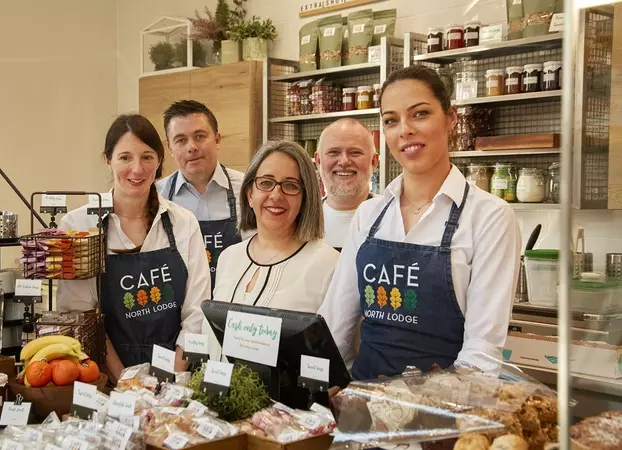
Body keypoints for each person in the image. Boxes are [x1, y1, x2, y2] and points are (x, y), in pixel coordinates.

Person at [318, 66, 521, 380]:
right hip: (363, 409)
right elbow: (335, 327)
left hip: (443, 414)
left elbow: (481, 351)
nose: (405, 130)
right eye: (391, 120)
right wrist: (320, 386)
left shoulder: (489, 217)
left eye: (420, 114)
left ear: (450, 118)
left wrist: (427, 412)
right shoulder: (370, 215)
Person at [57, 114, 210, 381]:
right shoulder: (78, 224)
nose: (137, 169)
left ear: (160, 160)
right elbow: (81, 314)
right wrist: (124, 380)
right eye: (125, 157)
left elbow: (197, 311)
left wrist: (171, 376)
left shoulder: (183, 223)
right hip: (105, 378)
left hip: (176, 378)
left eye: (147, 157)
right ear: (108, 159)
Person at [207, 140, 339, 360]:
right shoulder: (229, 257)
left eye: (290, 185)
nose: (276, 195)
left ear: (305, 198)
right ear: (250, 195)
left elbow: (335, 360)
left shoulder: (328, 264)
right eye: (266, 183)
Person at [157, 100, 245, 293]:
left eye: (199, 136)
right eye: (180, 140)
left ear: (217, 140)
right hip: (179, 311)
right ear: (170, 148)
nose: (192, 147)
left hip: (235, 306)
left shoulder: (248, 190)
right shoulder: (157, 197)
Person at [315, 118, 379, 252]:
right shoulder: (300, 220)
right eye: (333, 152)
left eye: (355, 152)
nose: (344, 161)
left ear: (373, 162)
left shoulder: (395, 217)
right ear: (318, 161)